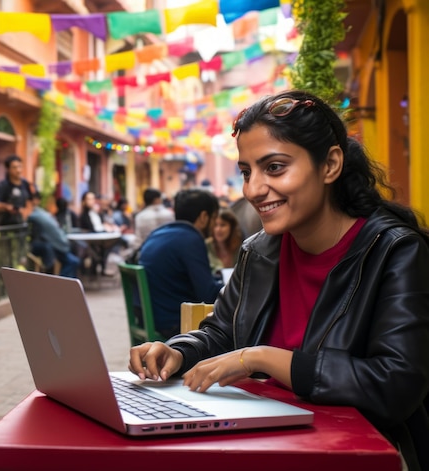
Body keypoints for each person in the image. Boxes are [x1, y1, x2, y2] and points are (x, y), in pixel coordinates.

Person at [129, 90, 429, 471]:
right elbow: (221, 334)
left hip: (351, 453)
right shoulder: (259, 250)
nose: (253, 189)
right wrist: (178, 351)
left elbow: (395, 385)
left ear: (330, 164)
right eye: (246, 171)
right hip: (259, 442)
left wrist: (262, 358)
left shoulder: (394, 250)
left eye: (274, 167)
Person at [137, 188, 223, 338]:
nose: (215, 224)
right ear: (204, 217)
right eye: (214, 217)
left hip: (155, 317)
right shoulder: (191, 239)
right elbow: (208, 294)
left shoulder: (158, 234)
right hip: (173, 324)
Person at [27, 193, 79, 278]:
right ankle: (63, 283)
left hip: (57, 246)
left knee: (73, 261)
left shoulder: (41, 214)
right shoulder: (41, 215)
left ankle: (64, 283)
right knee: (72, 261)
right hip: (56, 246)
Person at [0, 155, 36, 226]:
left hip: (23, 223)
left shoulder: (26, 184)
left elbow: (31, 201)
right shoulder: (3, 185)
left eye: (19, 166)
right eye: (14, 167)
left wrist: (27, 211)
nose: (18, 170)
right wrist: (6, 207)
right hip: (7, 225)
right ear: (8, 169)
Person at [205, 208, 243, 278]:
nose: (218, 229)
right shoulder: (205, 246)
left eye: (222, 225)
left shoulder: (242, 247)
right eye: (215, 225)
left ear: (232, 227)